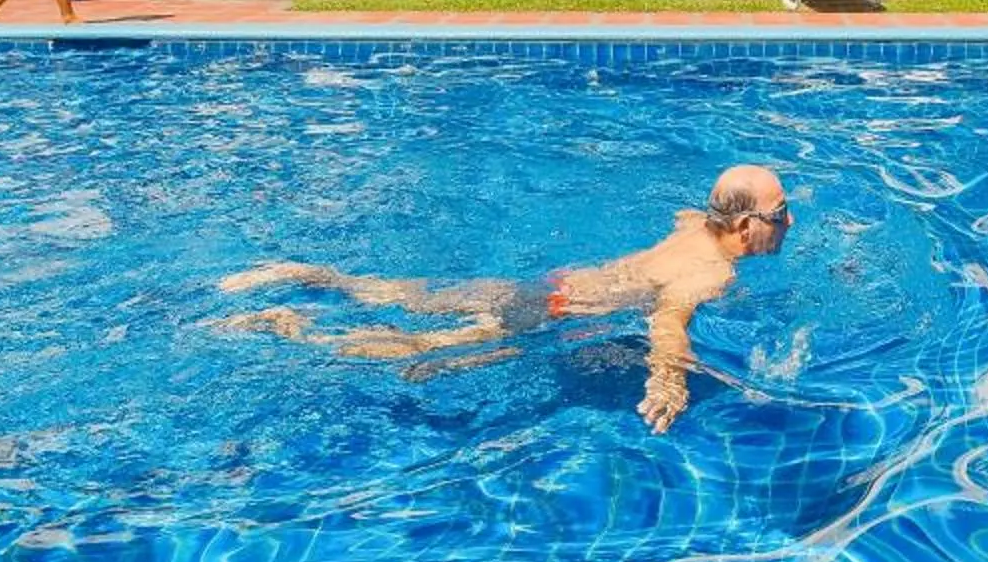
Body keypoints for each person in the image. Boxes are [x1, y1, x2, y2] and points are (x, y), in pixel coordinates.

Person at [215, 164, 793, 434]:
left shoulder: (694, 226)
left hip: (552, 284)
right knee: (416, 348)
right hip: (551, 312)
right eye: (779, 212)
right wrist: (669, 380)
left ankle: (308, 273)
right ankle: (291, 325)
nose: (789, 221)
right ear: (744, 226)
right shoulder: (709, 271)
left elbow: (685, 218)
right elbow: (670, 324)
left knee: (406, 297)